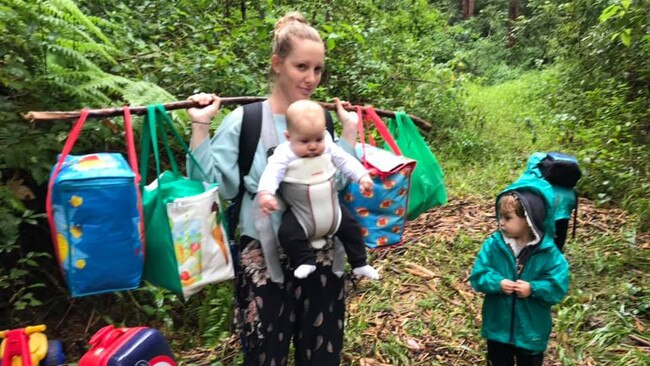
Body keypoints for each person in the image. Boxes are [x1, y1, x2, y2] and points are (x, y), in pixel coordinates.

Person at [186, 12, 360, 366]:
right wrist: (201, 128)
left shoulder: (320, 121)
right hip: (263, 262)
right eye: (301, 67)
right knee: (266, 355)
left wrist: (350, 134)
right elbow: (213, 188)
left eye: (317, 69)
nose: (311, 79)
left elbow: (338, 184)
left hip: (321, 256)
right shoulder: (247, 121)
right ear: (277, 64)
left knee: (322, 353)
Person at [257, 99, 379, 280]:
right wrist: (266, 193)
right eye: (305, 141)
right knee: (287, 234)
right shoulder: (283, 153)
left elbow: (345, 161)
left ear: (324, 134)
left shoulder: (328, 145)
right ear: (289, 136)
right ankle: (305, 260)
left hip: (332, 211)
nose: (313, 146)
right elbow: (272, 173)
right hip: (301, 213)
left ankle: (359, 263)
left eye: (318, 139)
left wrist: (362, 176)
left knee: (352, 228)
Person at [469, 177, 570, 366]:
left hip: (531, 332)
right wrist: (497, 283)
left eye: (508, 218)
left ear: (529, 219)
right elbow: (478, 275)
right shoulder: (493, 246)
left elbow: (558, 287)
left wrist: (534, 288)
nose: (501, 223)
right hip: (498, 329)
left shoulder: (549, 254)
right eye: (500, 217)